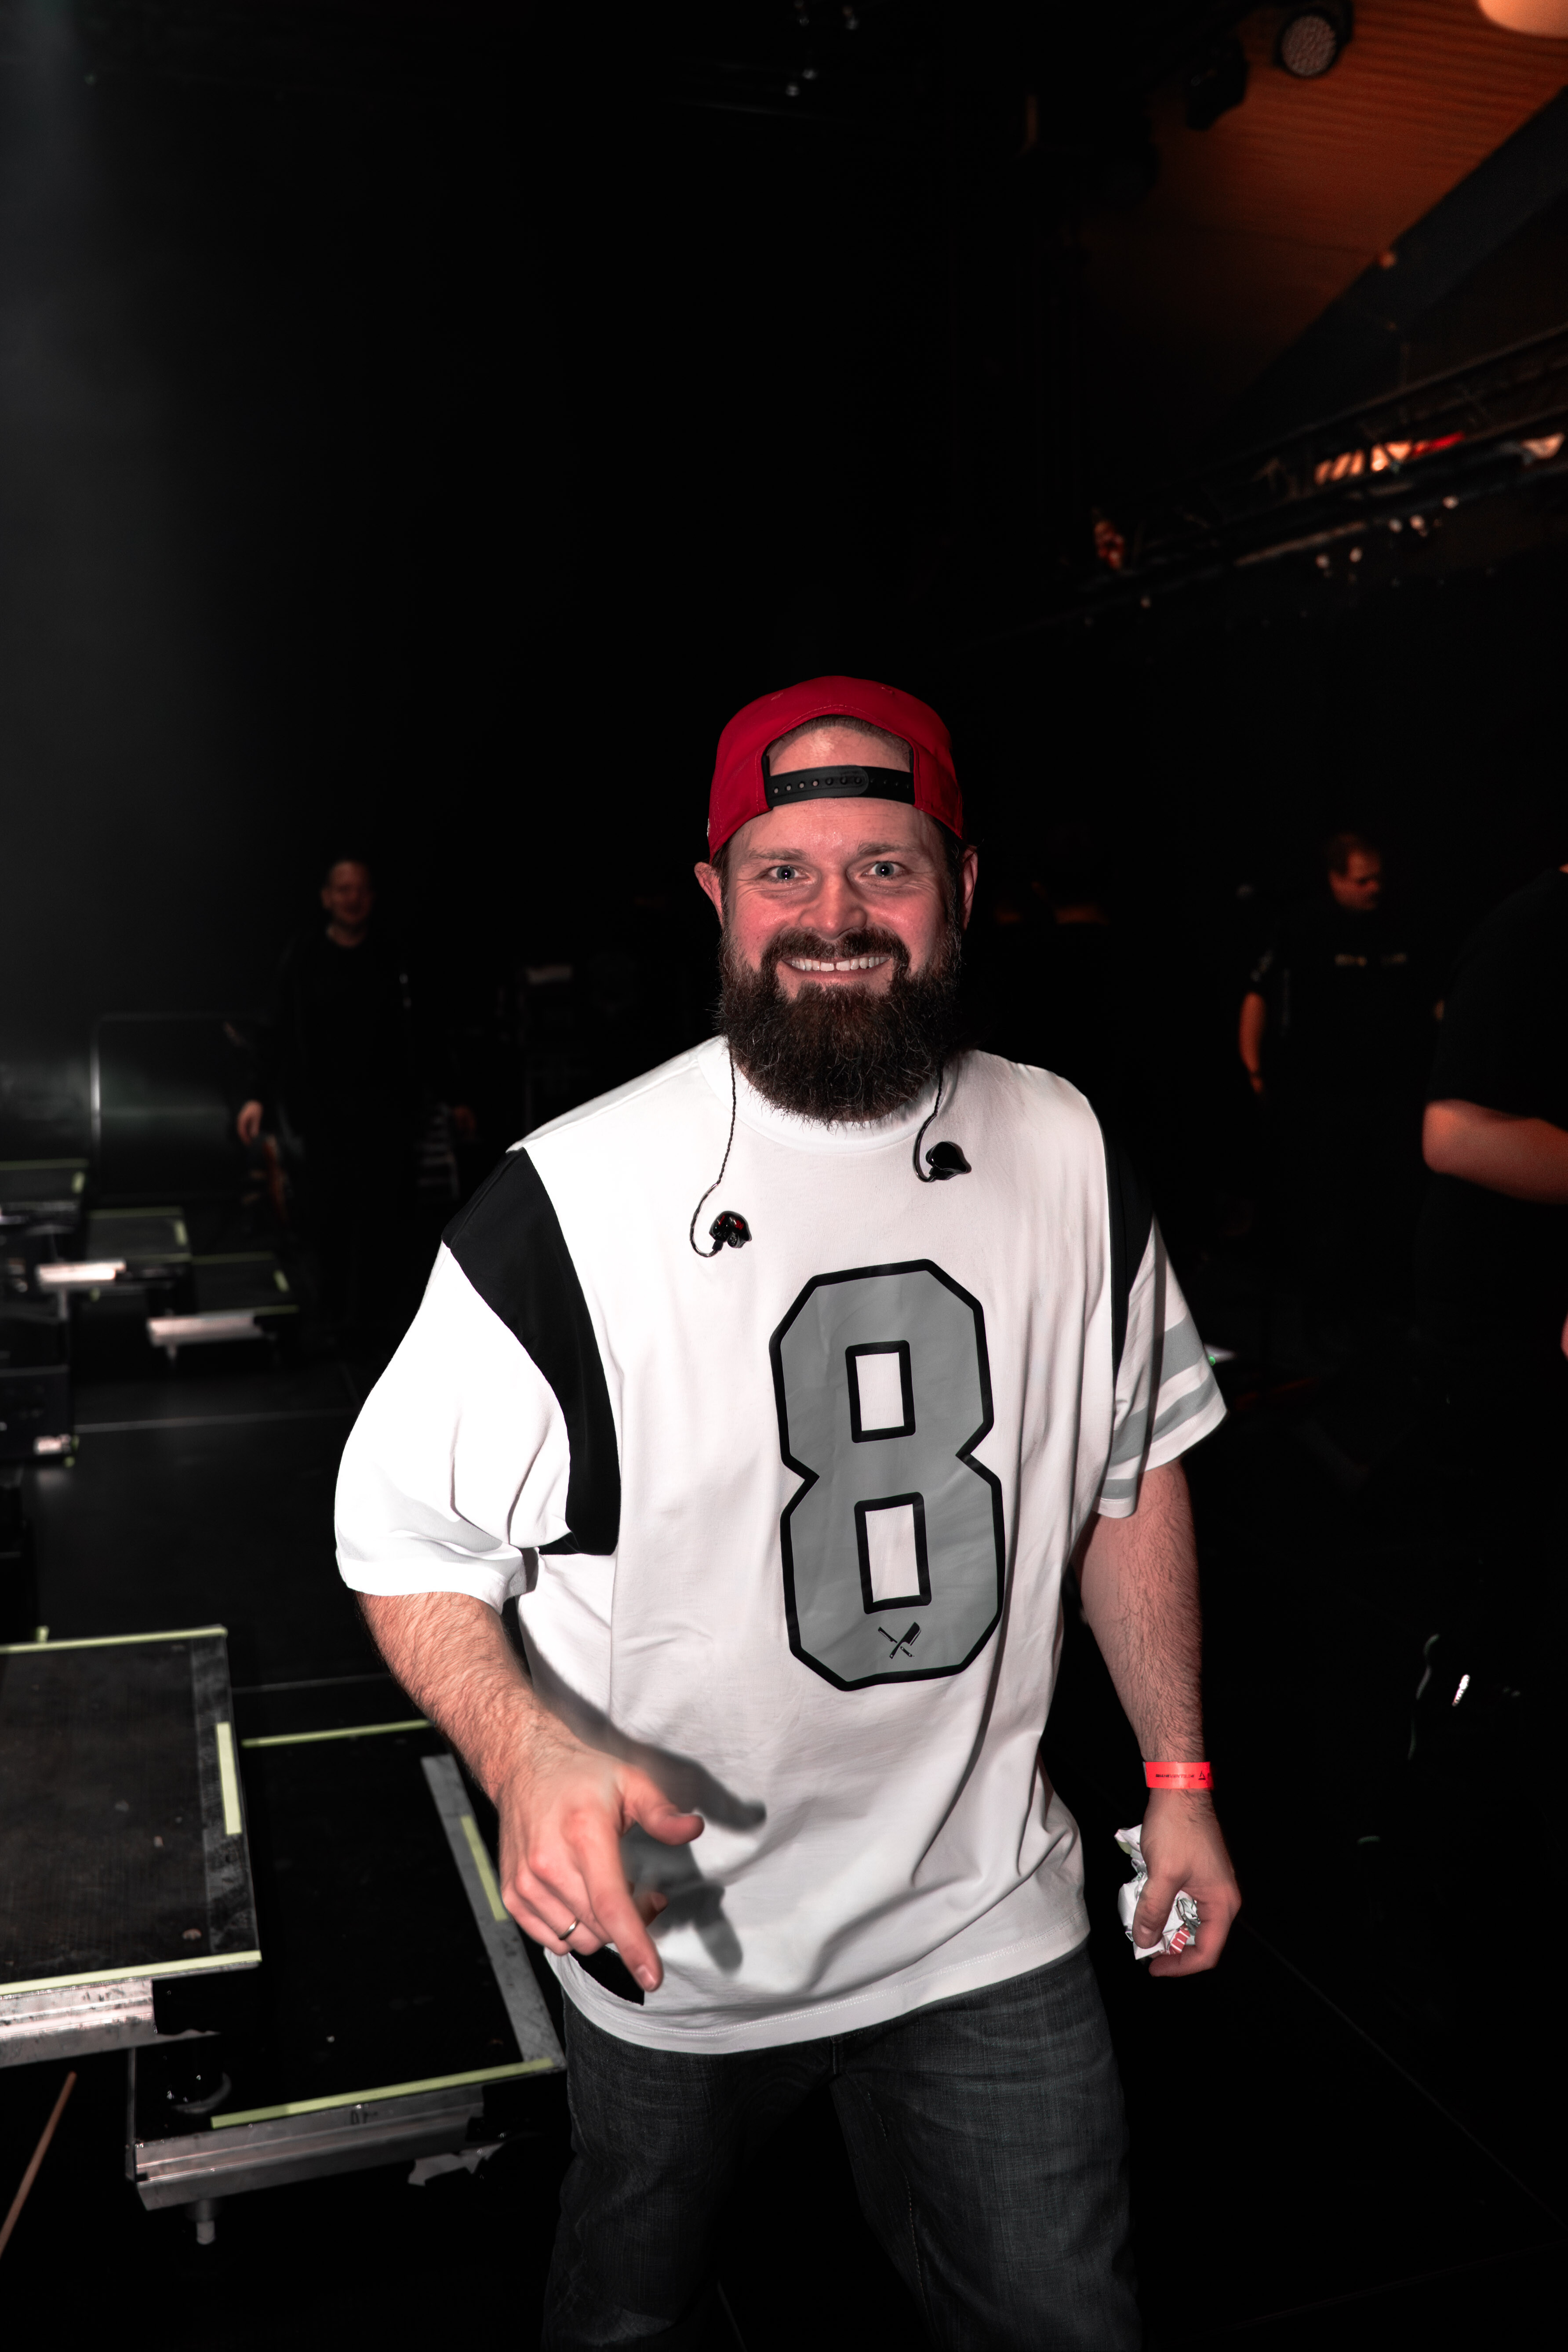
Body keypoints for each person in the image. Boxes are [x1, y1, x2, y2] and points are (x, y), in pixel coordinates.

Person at [336, 676, 1239, 2350]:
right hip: (680, 1938)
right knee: (625, 2312)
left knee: (1068, 2320)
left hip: (982, 1911)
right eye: (785, 872)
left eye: (886, 867)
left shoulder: (1069, 1146)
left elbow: (1130, 1476)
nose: (836, 917)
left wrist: (1177, 1775)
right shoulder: (571, 1201)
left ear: (962, 886)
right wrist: (525, 1755)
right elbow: (409, 1543)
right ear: (717, 894)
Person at [1238, 832, 1432, 1341]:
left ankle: (1386, 1315)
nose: (1374, 888)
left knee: (1389, 1205)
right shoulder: (1303, 927)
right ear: (1335, 878)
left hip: (1391, 1096)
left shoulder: (1400, 926)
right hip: (1322, 1098)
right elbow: (1259, 994)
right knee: (1327, 1210)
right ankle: (1324, 1321)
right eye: (1362, 880)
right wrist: (1252, 1071)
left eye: (1378, 879)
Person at [237, 857, 417, 1336]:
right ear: (326, 897)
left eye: (360, 889)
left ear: (371, 897)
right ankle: (331, 1317)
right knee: (326, 1217)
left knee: (380, 1220)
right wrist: (255, 1095)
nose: (352, 898)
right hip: (321, 1114)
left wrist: (448, 1097)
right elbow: (274, 1025)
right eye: (343, 889)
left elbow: (418, 1033)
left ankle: (376, 1325)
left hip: (382, 1113)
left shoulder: (390, 955)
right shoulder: (304, 955)